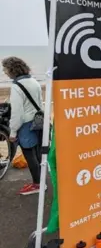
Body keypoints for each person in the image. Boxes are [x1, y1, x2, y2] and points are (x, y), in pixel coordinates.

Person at [2, 56, 45, 195]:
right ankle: (41, 181)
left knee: (29, 155)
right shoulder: (33, 81)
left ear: (12, 69)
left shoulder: (16, 86)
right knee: (38, 153)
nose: (4, 71)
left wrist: (13, 133)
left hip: (25, 124)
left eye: (5, 68)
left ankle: (37, 184)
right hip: (38, 121)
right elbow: (40, 103)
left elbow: (17, 113)